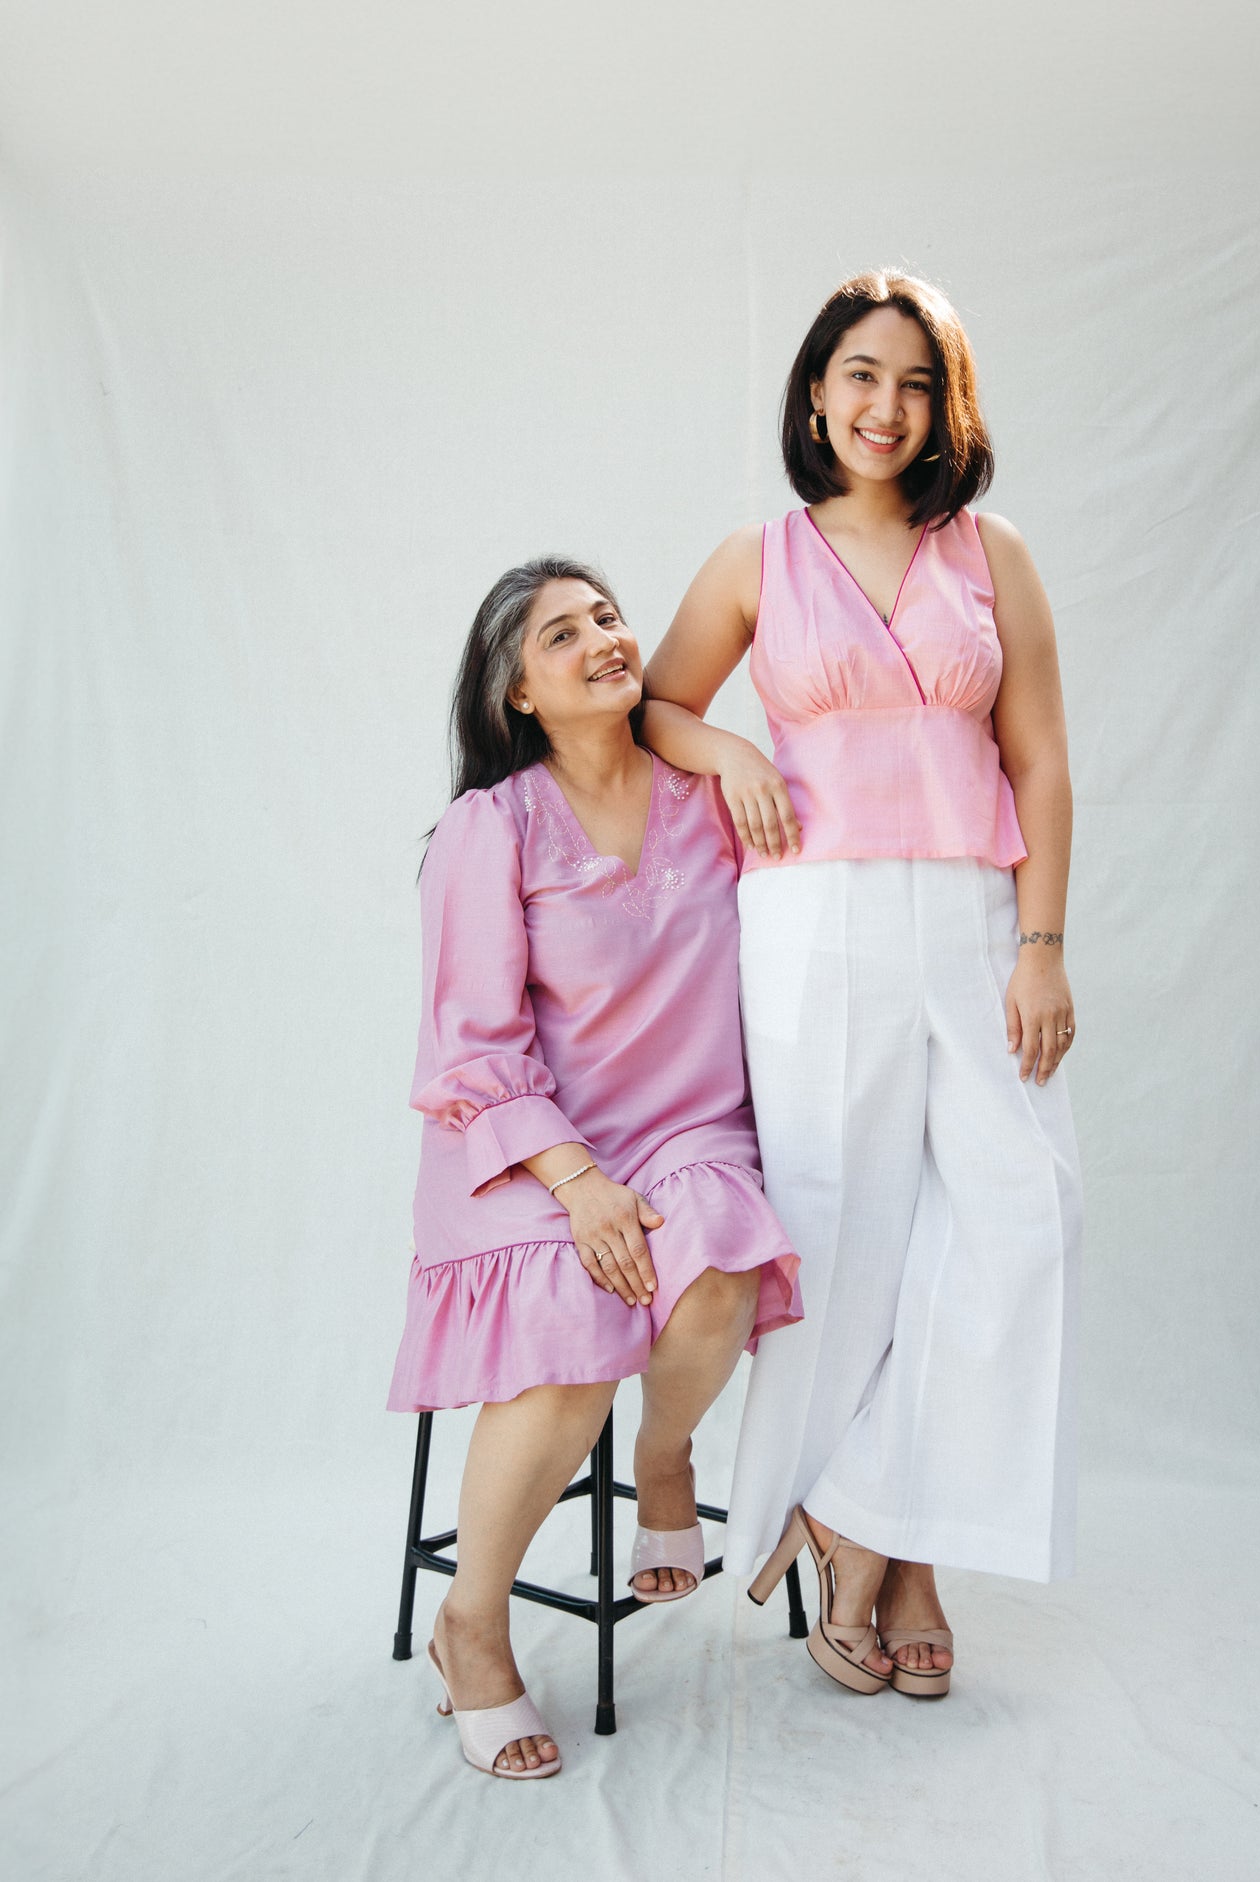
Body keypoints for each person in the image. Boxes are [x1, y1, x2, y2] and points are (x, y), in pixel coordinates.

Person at [643, 270, 1082, 1700]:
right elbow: (656, 706)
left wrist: (1041, 943)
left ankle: (872, 1510)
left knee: (1023, 1212)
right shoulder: (753, 558)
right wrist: (737, 754)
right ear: (815, 391)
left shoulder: (990, 552)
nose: (882, 407)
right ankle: (895, 1553)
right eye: (857, 375)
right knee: (839, 1232)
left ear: (943, 405)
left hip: (970, 913)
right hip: (814, 921)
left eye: (912, 381)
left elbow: (1042, 759)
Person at [388, 555, 800, 1778]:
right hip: (528, 1142)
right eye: (562, 635)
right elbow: (470, 1039)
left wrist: (725, 747)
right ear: (518, 693)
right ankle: (471, 1624)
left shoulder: (709, 798)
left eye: (609, 617)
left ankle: (663, 1457)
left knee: (720, 1269)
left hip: (688, 1130)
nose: (604, 640)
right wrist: (574, 1180)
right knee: (576, 1324)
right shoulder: (489, 827)